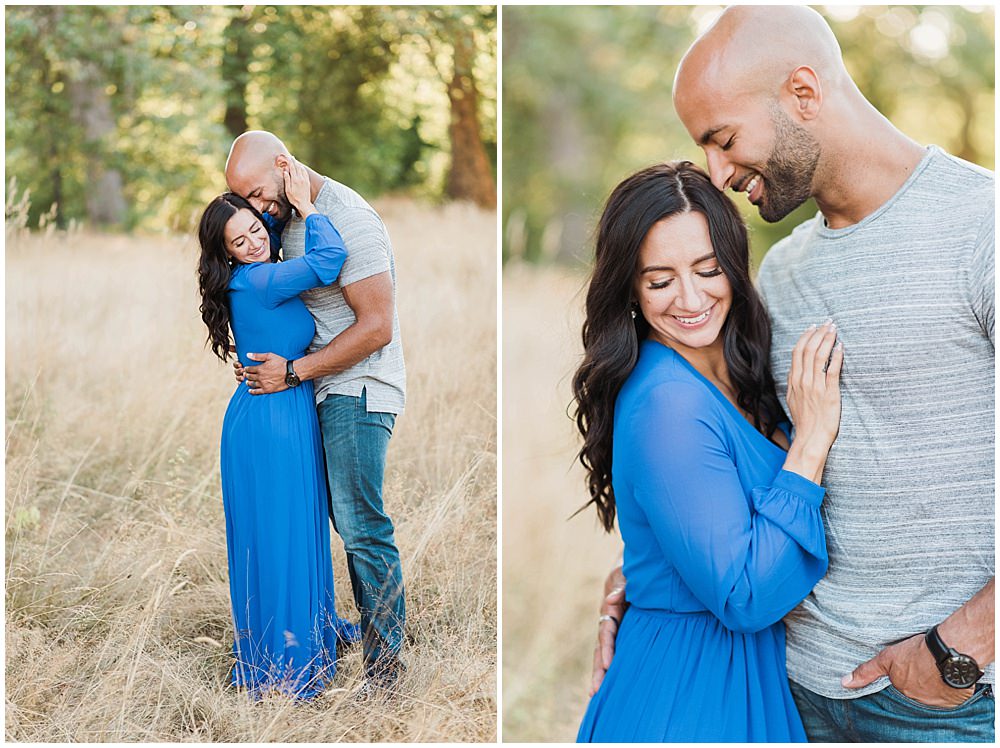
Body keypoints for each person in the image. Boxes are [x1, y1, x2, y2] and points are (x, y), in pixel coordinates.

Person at [592, 6, 994, 742]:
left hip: (943, 705)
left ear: (803, 93)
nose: (717, 172)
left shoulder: (983, 228)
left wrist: (960, 647)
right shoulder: (781, 276)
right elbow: (731, 472)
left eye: (723, 139)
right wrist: (650, 579)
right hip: (786, 688)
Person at [573, 160, 844, 741]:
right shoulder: (666, 401)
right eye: (660, 279)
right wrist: (810, 446)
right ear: (629, 286)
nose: (691, 299)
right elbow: (744, 594)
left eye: (708, 269)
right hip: (689, 693)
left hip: (742, 677)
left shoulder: (738, 363)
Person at [225, 131, 408, 690]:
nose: (257, 210)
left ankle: (387, 669)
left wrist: (295, 372)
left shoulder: (347, 218)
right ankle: (321, 629)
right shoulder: (283, 222)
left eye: (257, 194)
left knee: (360, 527)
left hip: (358, 387)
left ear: (285, 166)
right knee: (323, 520)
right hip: (318, 391)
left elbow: (376, 328)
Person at [197, 161, 348, 699]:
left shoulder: (254, 273)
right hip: (271, 419)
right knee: (279, 532)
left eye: (256, 229)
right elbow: (330, 260)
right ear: (227, 254)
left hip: (276, 405)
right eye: (239, 241)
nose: (254, 242)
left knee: (289, 529)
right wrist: (307, 205)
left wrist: (275, 210)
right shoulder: (260, 280)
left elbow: (277, 240)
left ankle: (300, 634)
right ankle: (285, 659)